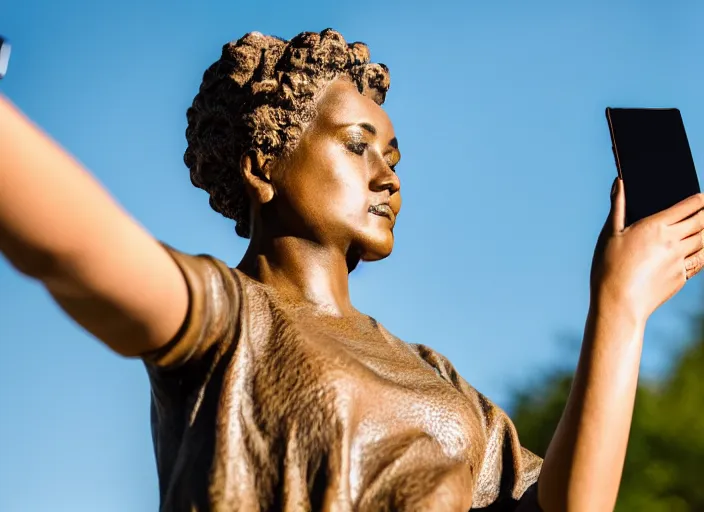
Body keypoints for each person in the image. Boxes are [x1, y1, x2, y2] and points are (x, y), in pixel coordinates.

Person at [1, 28, 703, 512]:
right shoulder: (230, 319)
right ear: (261, 162)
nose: (387, 178)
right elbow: (79, 247)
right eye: (358, 147)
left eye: (393, 160)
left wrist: (620, 306)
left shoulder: (435, 375)